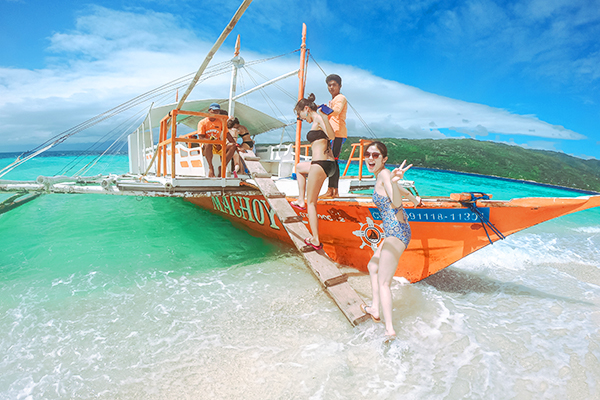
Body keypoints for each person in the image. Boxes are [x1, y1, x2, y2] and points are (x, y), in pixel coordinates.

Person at [360, 141, 422, 342]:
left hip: (396, 232)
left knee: (384, 282)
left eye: (375, 155)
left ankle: (389, 330)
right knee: (373, 266)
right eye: (368, 154)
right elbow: (400, 193)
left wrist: (395, 182)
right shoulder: (382, 175)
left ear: (384, 159)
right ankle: (375, 309)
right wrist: (414, 199)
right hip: (395, 231)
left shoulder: (385, 174)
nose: (370, 158)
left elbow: (395, 202)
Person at [291, 93, 337, 250]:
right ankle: (300, 200)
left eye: (300, 114)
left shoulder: (318, 118)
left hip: (321, 163)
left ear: (306, 109)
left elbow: (332, 136)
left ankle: (316, 239)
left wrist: (324, 117)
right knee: (299, 167)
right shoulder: (316, 121)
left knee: (311, 203)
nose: (301, 118)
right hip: (326, 164)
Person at [320, 74, 347, 199]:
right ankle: (332, 190)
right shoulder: (334, 99)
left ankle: (333, 191)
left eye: (334, 85)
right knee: (332, 161)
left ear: (339, 86)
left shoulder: (340, 98)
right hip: (333, 133)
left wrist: (323, 109)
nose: (331, 87)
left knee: (334, 161)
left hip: (337, 133)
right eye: (329, 85)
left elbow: (336, 111)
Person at [197, 103, 236, 177]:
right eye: (214, 111)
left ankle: (223, 167)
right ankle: (211, 168)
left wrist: (235, 145)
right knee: (208, 143)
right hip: (207, 146)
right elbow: (201, 138)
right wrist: (214, 142)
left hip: (218, 145)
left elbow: (227, 134)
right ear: (209, 110)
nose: (216, 113)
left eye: (217, 111)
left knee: (233, 145)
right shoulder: (202, 122)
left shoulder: (220, 121)